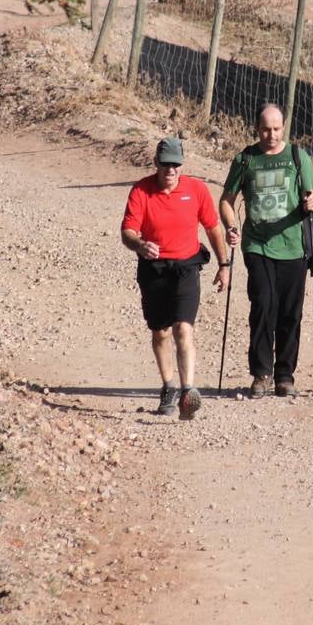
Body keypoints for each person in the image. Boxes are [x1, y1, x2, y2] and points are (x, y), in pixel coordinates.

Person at [121, 137, 230, 418]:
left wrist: (224, 264)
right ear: (156, 163)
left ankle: (187, 391)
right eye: (166, 164)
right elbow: (128, 231)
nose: (171, 170)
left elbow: (213, 228)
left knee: (183, 328)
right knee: (160, 331)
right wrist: (140, 245)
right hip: (154, 268)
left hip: (186, 267)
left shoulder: (196, 189)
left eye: (176, 165)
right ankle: (168, 386)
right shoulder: (141, 191)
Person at [219, 104, 313, 398]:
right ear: (256, 127)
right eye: (266, 129)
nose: (271, 135)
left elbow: (311, 196)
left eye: (276, 129)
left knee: (291, 312)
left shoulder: (298, 158)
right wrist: (230, 225)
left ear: (284, 127)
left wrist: (312, 202)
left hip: (293, 245)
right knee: (263, 304)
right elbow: (226, 200)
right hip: (257, 243)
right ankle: (261, 373)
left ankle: (285, 375)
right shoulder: (246, 159)